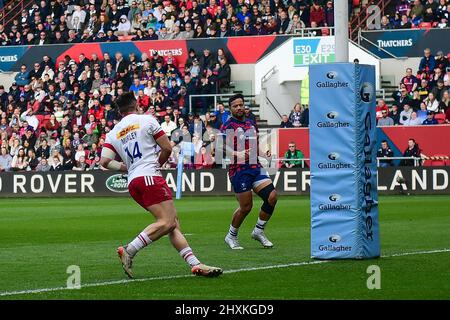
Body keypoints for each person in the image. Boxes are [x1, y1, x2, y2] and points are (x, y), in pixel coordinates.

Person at [99, 92, 222, 279]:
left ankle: (195, 264)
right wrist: (157, 164)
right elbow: (167, 148)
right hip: (149, 176)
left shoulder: (113, 132)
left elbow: (105, 161)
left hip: (134, 181)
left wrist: (126, 167)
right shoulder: (147, 120)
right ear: (136, 104)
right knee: (167, 222)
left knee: (172, 223)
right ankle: (129, 250)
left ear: (119, 110)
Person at [221, 93, 277, 250]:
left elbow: (254, 145)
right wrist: (236, 154)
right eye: (235, 106)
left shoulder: (252, 123)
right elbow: (221, 146)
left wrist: (263, 153)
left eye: (241, 105)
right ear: (230, 108)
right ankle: (231, 236)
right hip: (238, 170)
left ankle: (258, 231)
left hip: (255, 166)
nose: (239, 108)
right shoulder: (228, 125)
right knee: (246, 207)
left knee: (272, 197)